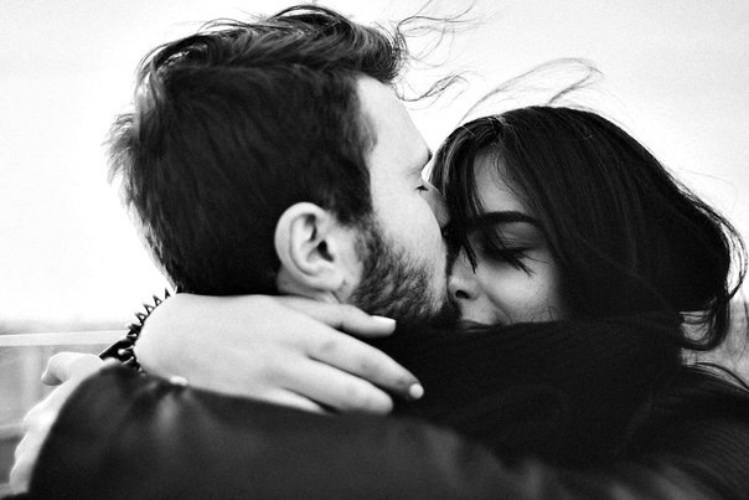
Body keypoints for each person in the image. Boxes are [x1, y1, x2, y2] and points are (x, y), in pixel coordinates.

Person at [11, 6, 749, 499]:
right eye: (417, 186)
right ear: (316, 245)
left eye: (503, 248)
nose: (447, 247)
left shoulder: (704, 432)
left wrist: (120, 414)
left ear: (608, 259)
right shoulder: (362, 396)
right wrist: (161, 343)